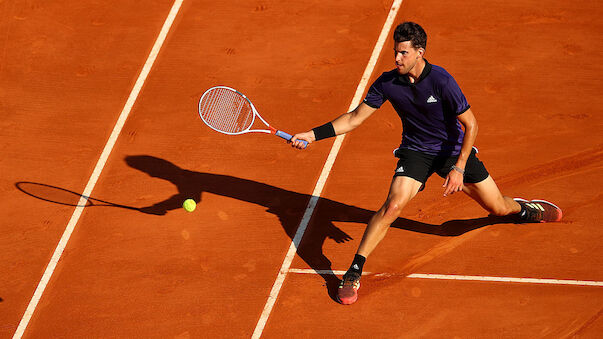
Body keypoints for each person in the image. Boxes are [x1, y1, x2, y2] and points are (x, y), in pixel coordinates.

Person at [289, 22, 562, 305]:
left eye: (403, 53)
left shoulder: (442, 81)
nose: (397, 59)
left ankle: (524, 208)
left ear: (420, 52)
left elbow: (471, 124)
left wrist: (458, 168)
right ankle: (354, 270)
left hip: (452, 152)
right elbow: (355, 117)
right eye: (395, 52)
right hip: (416, 151)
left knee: (498, 207)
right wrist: (312, 135)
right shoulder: (387, 83)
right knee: (392, 205)